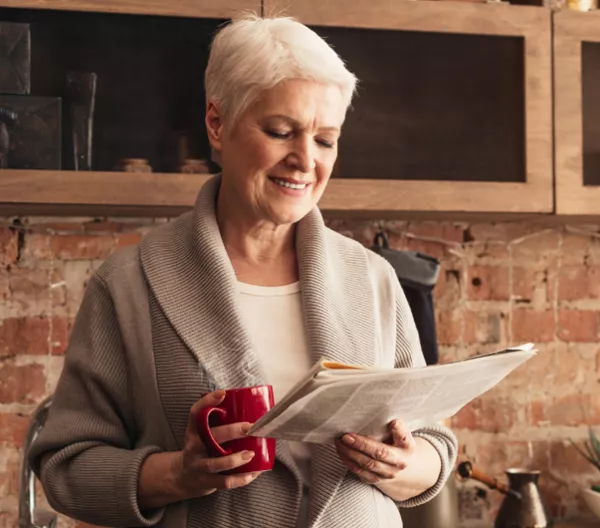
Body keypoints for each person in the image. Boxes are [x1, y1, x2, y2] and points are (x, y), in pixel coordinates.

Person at [29, 13, 457, 528]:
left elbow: (433, 443)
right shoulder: (127, 285)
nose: (305, 160)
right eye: (281, 131)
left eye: (325, 140)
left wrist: (406, 465)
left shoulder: (372, 278)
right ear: (217, 123)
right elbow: (66, 470)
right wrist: (180, 474)